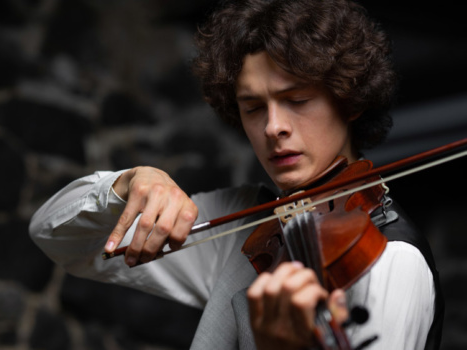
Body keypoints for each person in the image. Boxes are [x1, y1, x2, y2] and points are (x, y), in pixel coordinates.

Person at [29, 0, 443, 349]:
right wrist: (128, 184)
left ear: (349, 101)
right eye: (253, 107)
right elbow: (58, 238)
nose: (272, 127)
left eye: (296, 99)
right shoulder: (251, 225)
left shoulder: (393, 261)